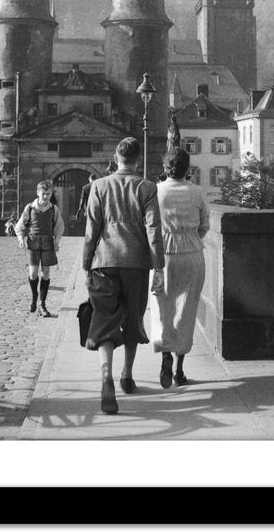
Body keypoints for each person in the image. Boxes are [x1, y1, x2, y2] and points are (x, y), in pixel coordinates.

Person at [82, 137, 165, 415]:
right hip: (136, 264)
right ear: (138, 160)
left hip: (103, 262)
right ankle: (127, 376)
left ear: (116, 159)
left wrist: (86, 264)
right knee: (133, 318)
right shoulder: (147, 187)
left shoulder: (98, 186)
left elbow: (91, 230)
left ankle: (106, 378)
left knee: (104, 321)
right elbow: (154, 230)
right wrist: (159, 266)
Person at [149, 147, 210, 387]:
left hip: (163, 255)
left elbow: (150, 225)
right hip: (192, 253)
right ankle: (180, 369)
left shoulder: (156, 192)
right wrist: (191, 238)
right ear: (187, 168)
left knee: (161, 306)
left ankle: (165, 354)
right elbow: (205, 225)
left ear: (166, 168)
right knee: (187, 309)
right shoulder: (196, 192)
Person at [15, 179, 65, 316]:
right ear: (38, 193)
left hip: (48, 244)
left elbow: (59, 226)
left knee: (46, 274)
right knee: (33, 273)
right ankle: (34, 297)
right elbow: (20, 226)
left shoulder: (53, 209)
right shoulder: (30, 208)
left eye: (48, 194)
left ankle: (42, 304)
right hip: (33, 243)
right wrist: (21, 239)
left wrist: (57, 240)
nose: (46, 196)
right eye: (43, 193)